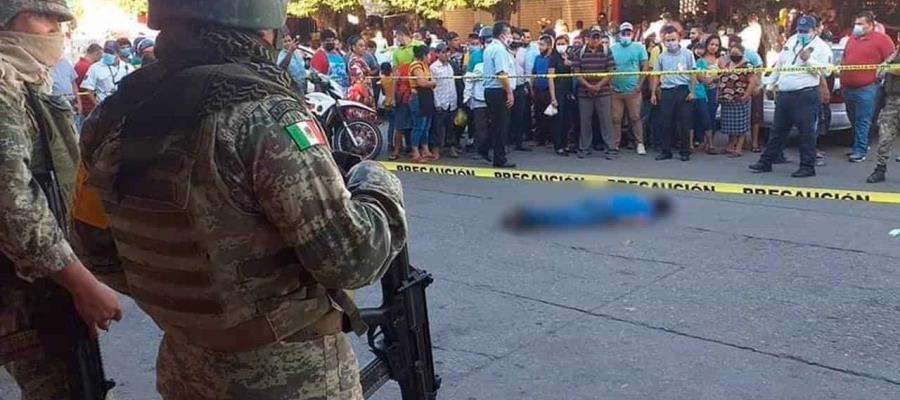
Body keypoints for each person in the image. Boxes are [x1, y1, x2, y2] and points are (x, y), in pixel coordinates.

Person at [74, 0, 407, 398]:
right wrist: (377, 184)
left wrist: (191, 307)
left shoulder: (112, 115)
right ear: (263, 27)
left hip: (186, 368)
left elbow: (92, 246)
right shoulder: (265, 115)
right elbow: (353, 258)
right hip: (288, 377)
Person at [0, 1, 123, 398]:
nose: (55, 29)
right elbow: (11, 198)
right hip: (25, 293)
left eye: (59, 19)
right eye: (43, 16)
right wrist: (81, 284)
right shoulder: (3, 83)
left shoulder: (25, 80)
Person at [750, 16, 831, 178]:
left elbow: (826, 70)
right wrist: (771, 83)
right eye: (799, 30)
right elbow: (781, 64)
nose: (801, 34)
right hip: (785, 93)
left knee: (806, 132)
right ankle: (766, 162)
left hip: (805, 94)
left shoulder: (822, 48)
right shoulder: (792, 40)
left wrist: (809, 60)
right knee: (777, 130)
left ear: (815, 30)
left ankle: (807, 166)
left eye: (805, 31)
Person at [841, 11, 895, 163]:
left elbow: (891, 60)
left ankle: (860, 150)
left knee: (863, 120)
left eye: (860, 24)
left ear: (870, 25)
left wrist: (882, 74)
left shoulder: (882, 40)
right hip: (848, 87)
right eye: (856, 24)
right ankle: (858, 145)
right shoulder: (852, 39)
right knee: (853, 119)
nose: (857, 27)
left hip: (868, 87)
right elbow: (845, 58)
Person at [650, 26, 697, 161]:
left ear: (679, 39)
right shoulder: (662, 56)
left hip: (683, 90)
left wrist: (692, 91)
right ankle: (666, 151)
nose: (671, 42)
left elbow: (693, 73)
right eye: (668, 40)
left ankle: (685, 152)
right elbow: (656, 75)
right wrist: (653, 93)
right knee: (666, 122)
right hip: (667, 91)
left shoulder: (687, 54)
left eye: (673, 39)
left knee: (684, 122)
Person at [502, 192, 672, 230]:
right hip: (604, 212)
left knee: (563, 213)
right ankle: (528, 217)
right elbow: (632, 221)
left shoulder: (640, 200)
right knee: (563, 219)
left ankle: (528, 216)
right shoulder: (648, 214)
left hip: (600, 201)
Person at [573, 27, 615, 159]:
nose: (596, 40)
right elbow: (576, 73)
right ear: (587, 39)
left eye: (598, 37)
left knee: (606, 121)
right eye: (594, 37)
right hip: (584, 92)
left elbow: (611, 71)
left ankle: (611, 150)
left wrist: (598, 86)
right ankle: (584, 149)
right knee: (585, 121)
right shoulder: (579, 52)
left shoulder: (607, 51)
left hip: (603, 92)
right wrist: (589, 86)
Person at [481, 21, 517, 168]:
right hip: (498, 91)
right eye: (509, 34)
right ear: (502, 35)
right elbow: (501, 73)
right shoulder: (499, 50)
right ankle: (500, 158)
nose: (511, 37)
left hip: (491, 91)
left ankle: (489, 151)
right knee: (501, 126)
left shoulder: (491, 48)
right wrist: (509, 92)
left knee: (496, 125)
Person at [610, 22, 648, 156]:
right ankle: (615, 144)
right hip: (615, 90)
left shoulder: (639, 48)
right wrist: (609, 84)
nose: (626, 36)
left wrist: (639, 85)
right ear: (619, 34)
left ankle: (640, 143)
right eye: (623, 33)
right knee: (615, 118)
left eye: (628, 33)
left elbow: (645, 66)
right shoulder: (612, 48)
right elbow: (608, 67)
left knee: (635, 117)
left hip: (634, 90)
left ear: (632, 34)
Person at [389, 26, 423, 160]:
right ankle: (397, 150)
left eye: (397, 37)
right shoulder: (397, 52)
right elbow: (395, 75)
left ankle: (415, 149)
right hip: (403, 93)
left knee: (417, 123)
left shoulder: (419, 45)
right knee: (400, 124)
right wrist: (392, 96)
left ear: (401, 35)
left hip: (417, 90)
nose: (396, 40)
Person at [718, 43, 758, 157]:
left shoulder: (747, 66)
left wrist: (746, 94)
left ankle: (738, 149)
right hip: (726, 99)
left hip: (740, 98)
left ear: (742, 53)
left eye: (736, 53)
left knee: (741, 125)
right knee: (729, 124)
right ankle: (730, 146)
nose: (734, 55)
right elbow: (722, 80)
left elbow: (753, 81)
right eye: (732, 53)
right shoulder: (727, 64)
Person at [868, 51, 900, 183]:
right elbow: (879, 72)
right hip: (892, 100)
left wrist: (889, 68)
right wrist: (888, 67)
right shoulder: (896, 53)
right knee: (885, 137)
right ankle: (880, 169)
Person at [463, 26, 492, 158]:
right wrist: (467, 96)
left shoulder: (500, 54)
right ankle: (481, 151)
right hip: (478, 97)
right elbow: (468, 78)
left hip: (494, 96)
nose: (488, 43)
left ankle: (497, 149)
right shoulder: (475, 57)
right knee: (480, 127)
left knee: (496, 125)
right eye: (486, 41)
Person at [80, 40, 134, 105]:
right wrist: (97, 105)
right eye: (106, 52)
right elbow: (88, 89)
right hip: (104, 105)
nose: (108, 54)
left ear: (118, 53)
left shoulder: (128, 67)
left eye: (111, 52)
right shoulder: (95, 67)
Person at [409, 44, 436, 162]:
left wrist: (430, 83)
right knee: (419, 126)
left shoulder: (426, 65)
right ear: (424, 55)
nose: (430, 56)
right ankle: (415, 152)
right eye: (429, 54)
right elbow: (422, 82)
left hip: (427, 96)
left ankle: (425, 149)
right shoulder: (416, 65)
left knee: (426, 125)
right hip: (418, 97)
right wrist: (433, 83)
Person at [549, 34, 575, 156]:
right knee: (558, 119)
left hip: (568, 91)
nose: (560, 46)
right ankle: (558, 146)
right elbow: (551, 78)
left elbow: (576, 69)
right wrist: (553, 97)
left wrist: (567, 62)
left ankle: (566, 144)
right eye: (558, 44)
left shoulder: (570, 55)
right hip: (558, 90)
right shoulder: (553, 57)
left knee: (568, 119)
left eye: (563, 43)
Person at [430, 43, 458, 159]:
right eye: (443, 52)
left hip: (451, 100)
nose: (446, 54)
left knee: (451, 126)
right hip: (440, 101)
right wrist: (437, 103)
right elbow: (433, 87)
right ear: (437, 54)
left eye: (448, 52)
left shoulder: (450, 66)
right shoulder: (433, 67)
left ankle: (451, 148)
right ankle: (435, 150)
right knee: (437, 127)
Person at [509, 28, 532, 152]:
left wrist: (527, 84)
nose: (515, 40)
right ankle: (507, 142)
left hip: (520, 86)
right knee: (507, 116)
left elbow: (527, 68)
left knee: (520, 115)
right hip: (508, 87)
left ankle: (519, 142)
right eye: (513, 38)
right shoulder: (504, 51)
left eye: (518, 38)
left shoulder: (523, 51)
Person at [531, 34, 554, 147]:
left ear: (549, 45)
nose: (539, 47)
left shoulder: (553, 59)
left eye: (542, 45)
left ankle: (550, 139)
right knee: (538, 114)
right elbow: (534, 73)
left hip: (548, 91)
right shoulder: (537, 58)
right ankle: (540, 139)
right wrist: (532, 88)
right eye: (539, 44)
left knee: (549, 115)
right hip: (538, 90)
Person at [347, 35, 375, 108]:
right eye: (360, 46)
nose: (363, 48)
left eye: (364, 46)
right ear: (353, 47)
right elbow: (359, 80)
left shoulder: (360, 59)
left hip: (366, 91)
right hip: (360, 94)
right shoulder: (354, 61)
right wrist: (366, 96)